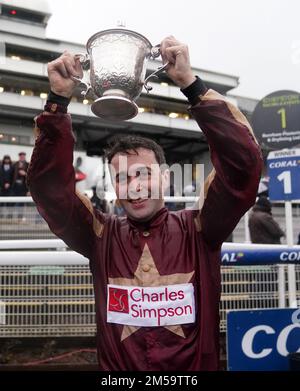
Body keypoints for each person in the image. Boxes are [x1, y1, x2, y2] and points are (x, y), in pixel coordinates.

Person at [27, 36, 262, 371]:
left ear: (165, 178)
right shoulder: (100, 235)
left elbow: (244, 166)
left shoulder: (201, 228)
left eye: (143, 174)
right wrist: (57, 101)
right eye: (122, 178)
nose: (134, 187)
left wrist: (190, 85)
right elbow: (49, 189)